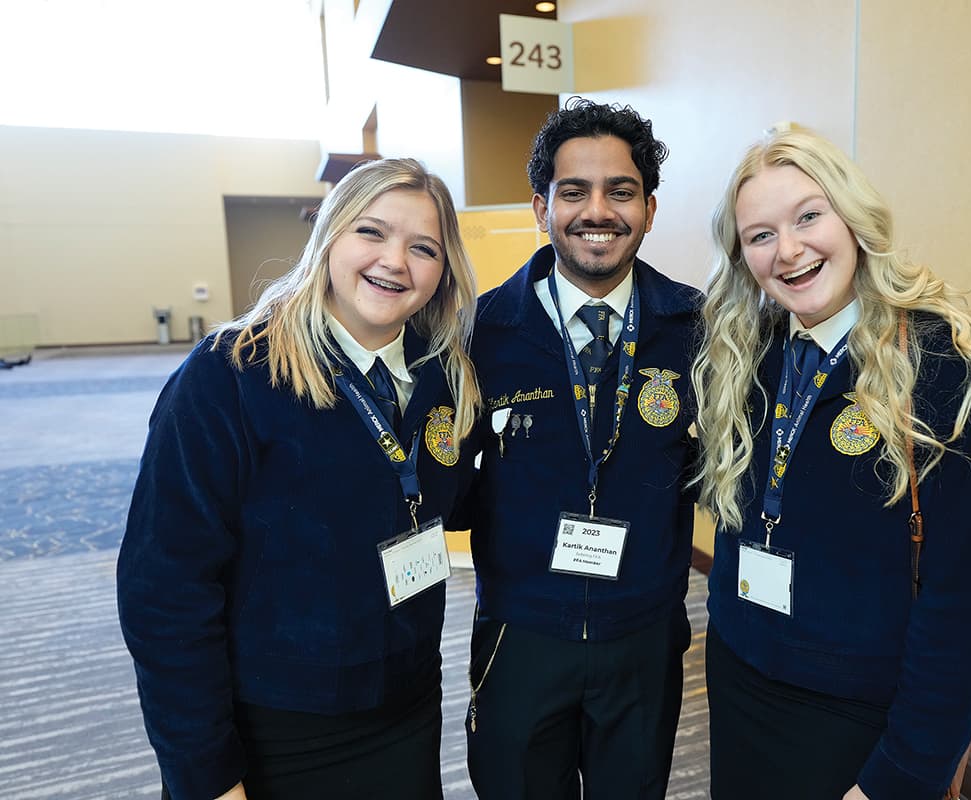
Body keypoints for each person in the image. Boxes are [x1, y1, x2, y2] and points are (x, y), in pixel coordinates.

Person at [116, 158, 480, 800]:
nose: (395, 261)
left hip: (408, 701)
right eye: (371, 232)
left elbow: (445, 500)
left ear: (443, 268)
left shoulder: (442, 374)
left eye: (423, 247)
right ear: (329, 236)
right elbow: (163, 589)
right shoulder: (231, 374)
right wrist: (206, 773)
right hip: (277, 724)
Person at [692, 123, 971, 800]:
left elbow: (963, 616)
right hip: (740, 683)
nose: (788, 251)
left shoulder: (954, 378)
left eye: (808, 217)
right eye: (761, 235)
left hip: (857, 719)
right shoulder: (741, 356)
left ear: (853, 218)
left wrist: (900, 777)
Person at [460, 97, 702, 799]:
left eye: (621, 191)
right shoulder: (482, 334)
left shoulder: (699, 329)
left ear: (649, 210)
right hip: (520, 632)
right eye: (574, 191)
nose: (598, 210)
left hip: (643, 635)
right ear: (542, 207)